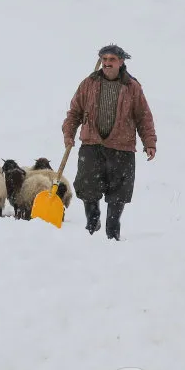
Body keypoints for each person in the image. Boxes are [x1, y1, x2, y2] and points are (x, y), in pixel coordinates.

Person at [62, 44, 157, 240]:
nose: (107, 64)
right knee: (87, 188)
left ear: (121, 62)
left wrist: (149, 142)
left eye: (111, 60)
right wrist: (68, 133)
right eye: (104, 60)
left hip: (121, 147)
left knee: (118, 193)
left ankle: (112, 233)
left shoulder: (132, 87)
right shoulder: (88, 83)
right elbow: (74, 112)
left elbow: (143, 117)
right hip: (91, 144)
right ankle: (92, 221)